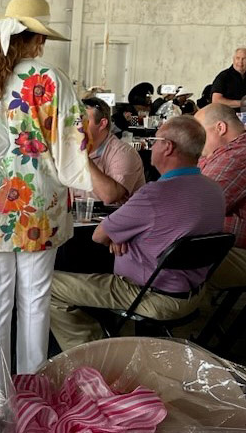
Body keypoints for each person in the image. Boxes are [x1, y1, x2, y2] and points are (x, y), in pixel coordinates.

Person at [0, 0, 91, 391]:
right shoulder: (50, 78)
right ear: (38, 40)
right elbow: (73, 143)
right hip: (37, 206)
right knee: (36, 299)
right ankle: (34, 389)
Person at [50, 116, 225, 350]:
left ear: (168, 147)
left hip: (148, 294)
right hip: (193, 293)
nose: (152, 145)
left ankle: (94, 353)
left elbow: (99, 236)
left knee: (45, 286)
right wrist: (125, 236)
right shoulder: (214, 190)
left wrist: (121, 236)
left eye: (155, 140)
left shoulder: (155, 194)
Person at [195, 104, 246, 290]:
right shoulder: (224, 153)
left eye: (199, 133)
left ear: (220, 128)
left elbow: (194, 205)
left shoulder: (238, 155)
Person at [82, 97, 145, 206]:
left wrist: (81, 156)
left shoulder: (124, 153)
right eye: (76, 121)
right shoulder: (69, 150)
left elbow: (109, 196)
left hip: (117, 220)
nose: (78, 126)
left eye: (84, 121)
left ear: (102, 124)